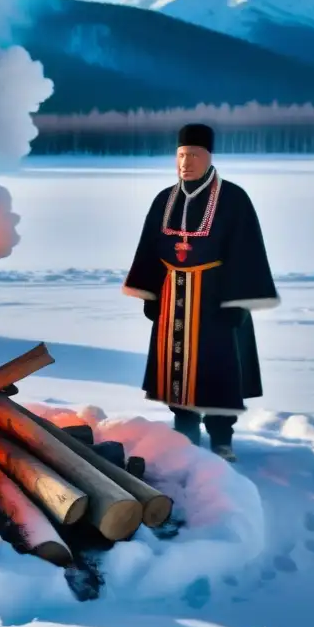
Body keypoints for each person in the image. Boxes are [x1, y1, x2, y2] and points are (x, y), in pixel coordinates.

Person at [123, 123, 279, 461]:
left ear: (208, 157)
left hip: (216, 300)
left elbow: (247, 251)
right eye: (180, 155)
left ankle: (222, 438)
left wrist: (237, 302)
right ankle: (185, 433)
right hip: (172, 297)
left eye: (193, 155)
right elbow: (149, 249)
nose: (185, 162)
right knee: (175, 369)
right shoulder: (164, 199)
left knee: (219, 370)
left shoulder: (233, 198)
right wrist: (149, 294)